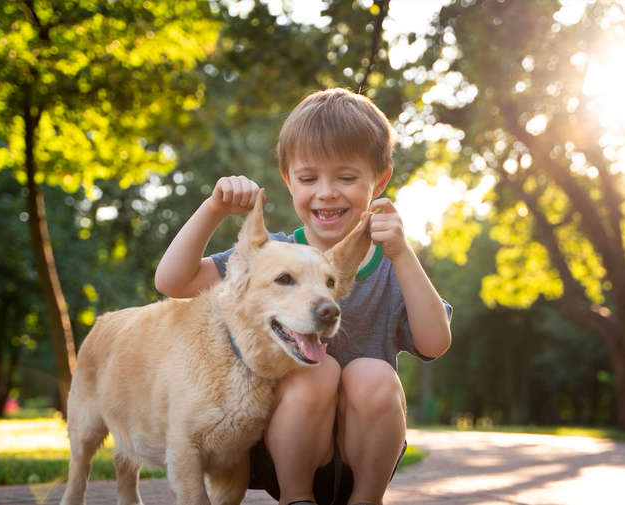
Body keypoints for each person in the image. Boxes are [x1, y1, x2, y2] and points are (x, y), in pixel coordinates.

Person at [154, 88, 452, 505]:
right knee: (317, 371)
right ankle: (298, 499)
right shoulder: (272, 258)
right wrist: (214, 209)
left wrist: (403, 255)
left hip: (362, 453)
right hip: (281, 452)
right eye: (309, 178)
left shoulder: (392, 261)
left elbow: (434, 343)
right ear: (288, 181)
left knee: (373, 374)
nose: (327, 192)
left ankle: (367, 500)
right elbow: (173, 281)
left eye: (346, 178)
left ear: (379, 180)